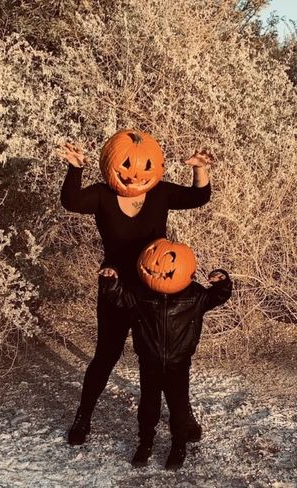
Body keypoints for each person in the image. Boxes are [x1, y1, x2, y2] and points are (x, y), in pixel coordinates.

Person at [58, 130, 214, 445]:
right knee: (106, 355)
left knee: (161, 360)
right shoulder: (102, 195)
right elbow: (71, 201)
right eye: (125, 164)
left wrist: (200, 169)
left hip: (156, 294)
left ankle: (182, 417)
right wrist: (75, 168)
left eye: (143, 166)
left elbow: (199, 197)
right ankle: (83, 416)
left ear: (155, 166)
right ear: (111, 163)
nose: (134, 174)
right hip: (116, 288)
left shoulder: (160, 193)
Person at [99, 240, 232, 470]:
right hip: (148, 361)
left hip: (178, 363)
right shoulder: (140, 294)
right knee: (148, 407)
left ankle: (178, 445)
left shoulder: (195, 296)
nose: (158, 264)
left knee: (179, 408)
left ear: (186, 267)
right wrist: (110, 280)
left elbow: (217, 297)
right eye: (153, 256)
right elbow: (118, 296)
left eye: (168, 259)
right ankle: (146, 444)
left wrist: (223, 281)